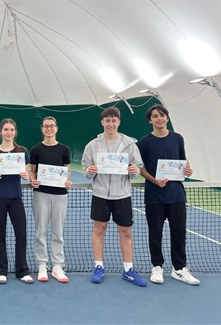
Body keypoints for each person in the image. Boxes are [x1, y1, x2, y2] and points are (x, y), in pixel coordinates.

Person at [81, 106, 147, 287]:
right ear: (102, 122)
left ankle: (128, 270)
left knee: (126, 232)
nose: (110, 124)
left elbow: (137, 167)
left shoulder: (129, 144)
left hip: (122, 195)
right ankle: (98, 267)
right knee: (99, 229)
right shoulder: (92, 145)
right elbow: (86, 168)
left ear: (119, 122)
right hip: (100, 194)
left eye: (113, 120)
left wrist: (134, 171)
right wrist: (90, 170)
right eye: (107, 120)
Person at [138, 104, 200, 285]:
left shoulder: (177, 138)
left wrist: (187, 169)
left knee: (179, 233)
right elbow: (140, 167)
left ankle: (179, 269)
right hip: (154, 195)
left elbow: (183, 159)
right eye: (155, 116)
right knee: (155, 233)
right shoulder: (144, 142)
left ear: (167, 117)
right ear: (150, 121)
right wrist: (154, 180)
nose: (159, 118)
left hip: (176, 195)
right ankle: (157, 267)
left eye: (162, 115)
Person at [0, 118, 34, 284]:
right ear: (1, 131)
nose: (9, 132)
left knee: (21, 234)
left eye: (12, 130)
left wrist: (26, 175)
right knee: (0, 234)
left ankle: (22, 271)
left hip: (16, 198)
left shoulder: (22, 151)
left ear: (15, 132)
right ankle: (1, 271)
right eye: (6, 129)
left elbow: (27, 173)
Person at [29, 116, 72, 283]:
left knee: (58, 231)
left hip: (60, 195)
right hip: (41, 194)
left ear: (56, 128)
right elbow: (33, 171)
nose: (49, 129)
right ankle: (42, 264)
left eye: (51, 126)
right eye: (46, 126)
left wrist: (67, 181)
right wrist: (33, 180)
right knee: (40, 231)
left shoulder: (64, 149)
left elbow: (67, 171)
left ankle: (57, 266)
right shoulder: (36, 150)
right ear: (42, 129)